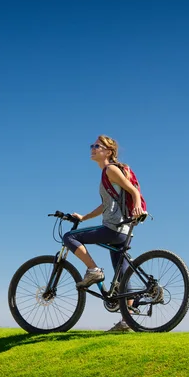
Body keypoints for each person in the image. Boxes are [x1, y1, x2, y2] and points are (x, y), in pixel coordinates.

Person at [63, 135, 145, 332]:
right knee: (123, 276)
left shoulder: (110, 169)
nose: (92, 148)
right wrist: (83, 217)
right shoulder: (107, 174)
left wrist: (137, 205)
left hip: (114, 228)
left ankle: (93, 271)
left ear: (108, 152)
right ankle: (128, 321)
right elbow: (105, 205)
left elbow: (131, 188)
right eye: (92, 145)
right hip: (123, 230)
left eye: (97, 146)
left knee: (69, 237)